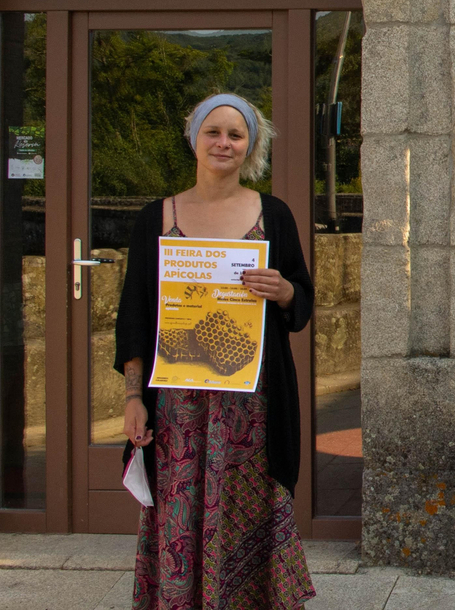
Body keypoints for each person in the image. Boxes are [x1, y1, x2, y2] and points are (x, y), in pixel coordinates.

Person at [114, 93, 316, 610]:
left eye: (235, 135)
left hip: (252, 404)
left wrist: (284, 291)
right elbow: (135, 315)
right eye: (213, 132)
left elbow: (302, 295)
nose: (223, 143)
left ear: (251, 147)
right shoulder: (156, 218)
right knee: (180, 509)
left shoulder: (272, 215)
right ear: (194, 138)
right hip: (178, 405)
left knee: (248, 510)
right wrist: (134, 396)